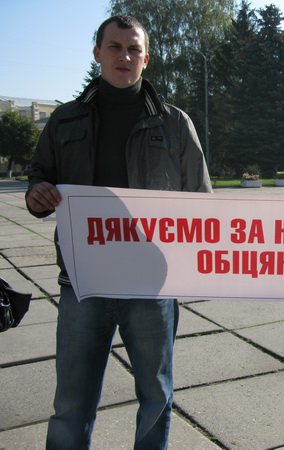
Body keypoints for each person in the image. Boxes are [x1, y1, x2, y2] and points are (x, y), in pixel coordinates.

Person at [26, 15, 212, 450]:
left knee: (156, 398)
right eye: (114, 47)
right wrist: (37, 194)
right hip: (83, 284)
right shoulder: (65, 121)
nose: (124, 56)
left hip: (151, 286)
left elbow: (202, 201)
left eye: (133, 49)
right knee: (71, 403)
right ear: (97, 54)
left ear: (146, 59)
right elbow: (40, 176)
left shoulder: (174, 123)